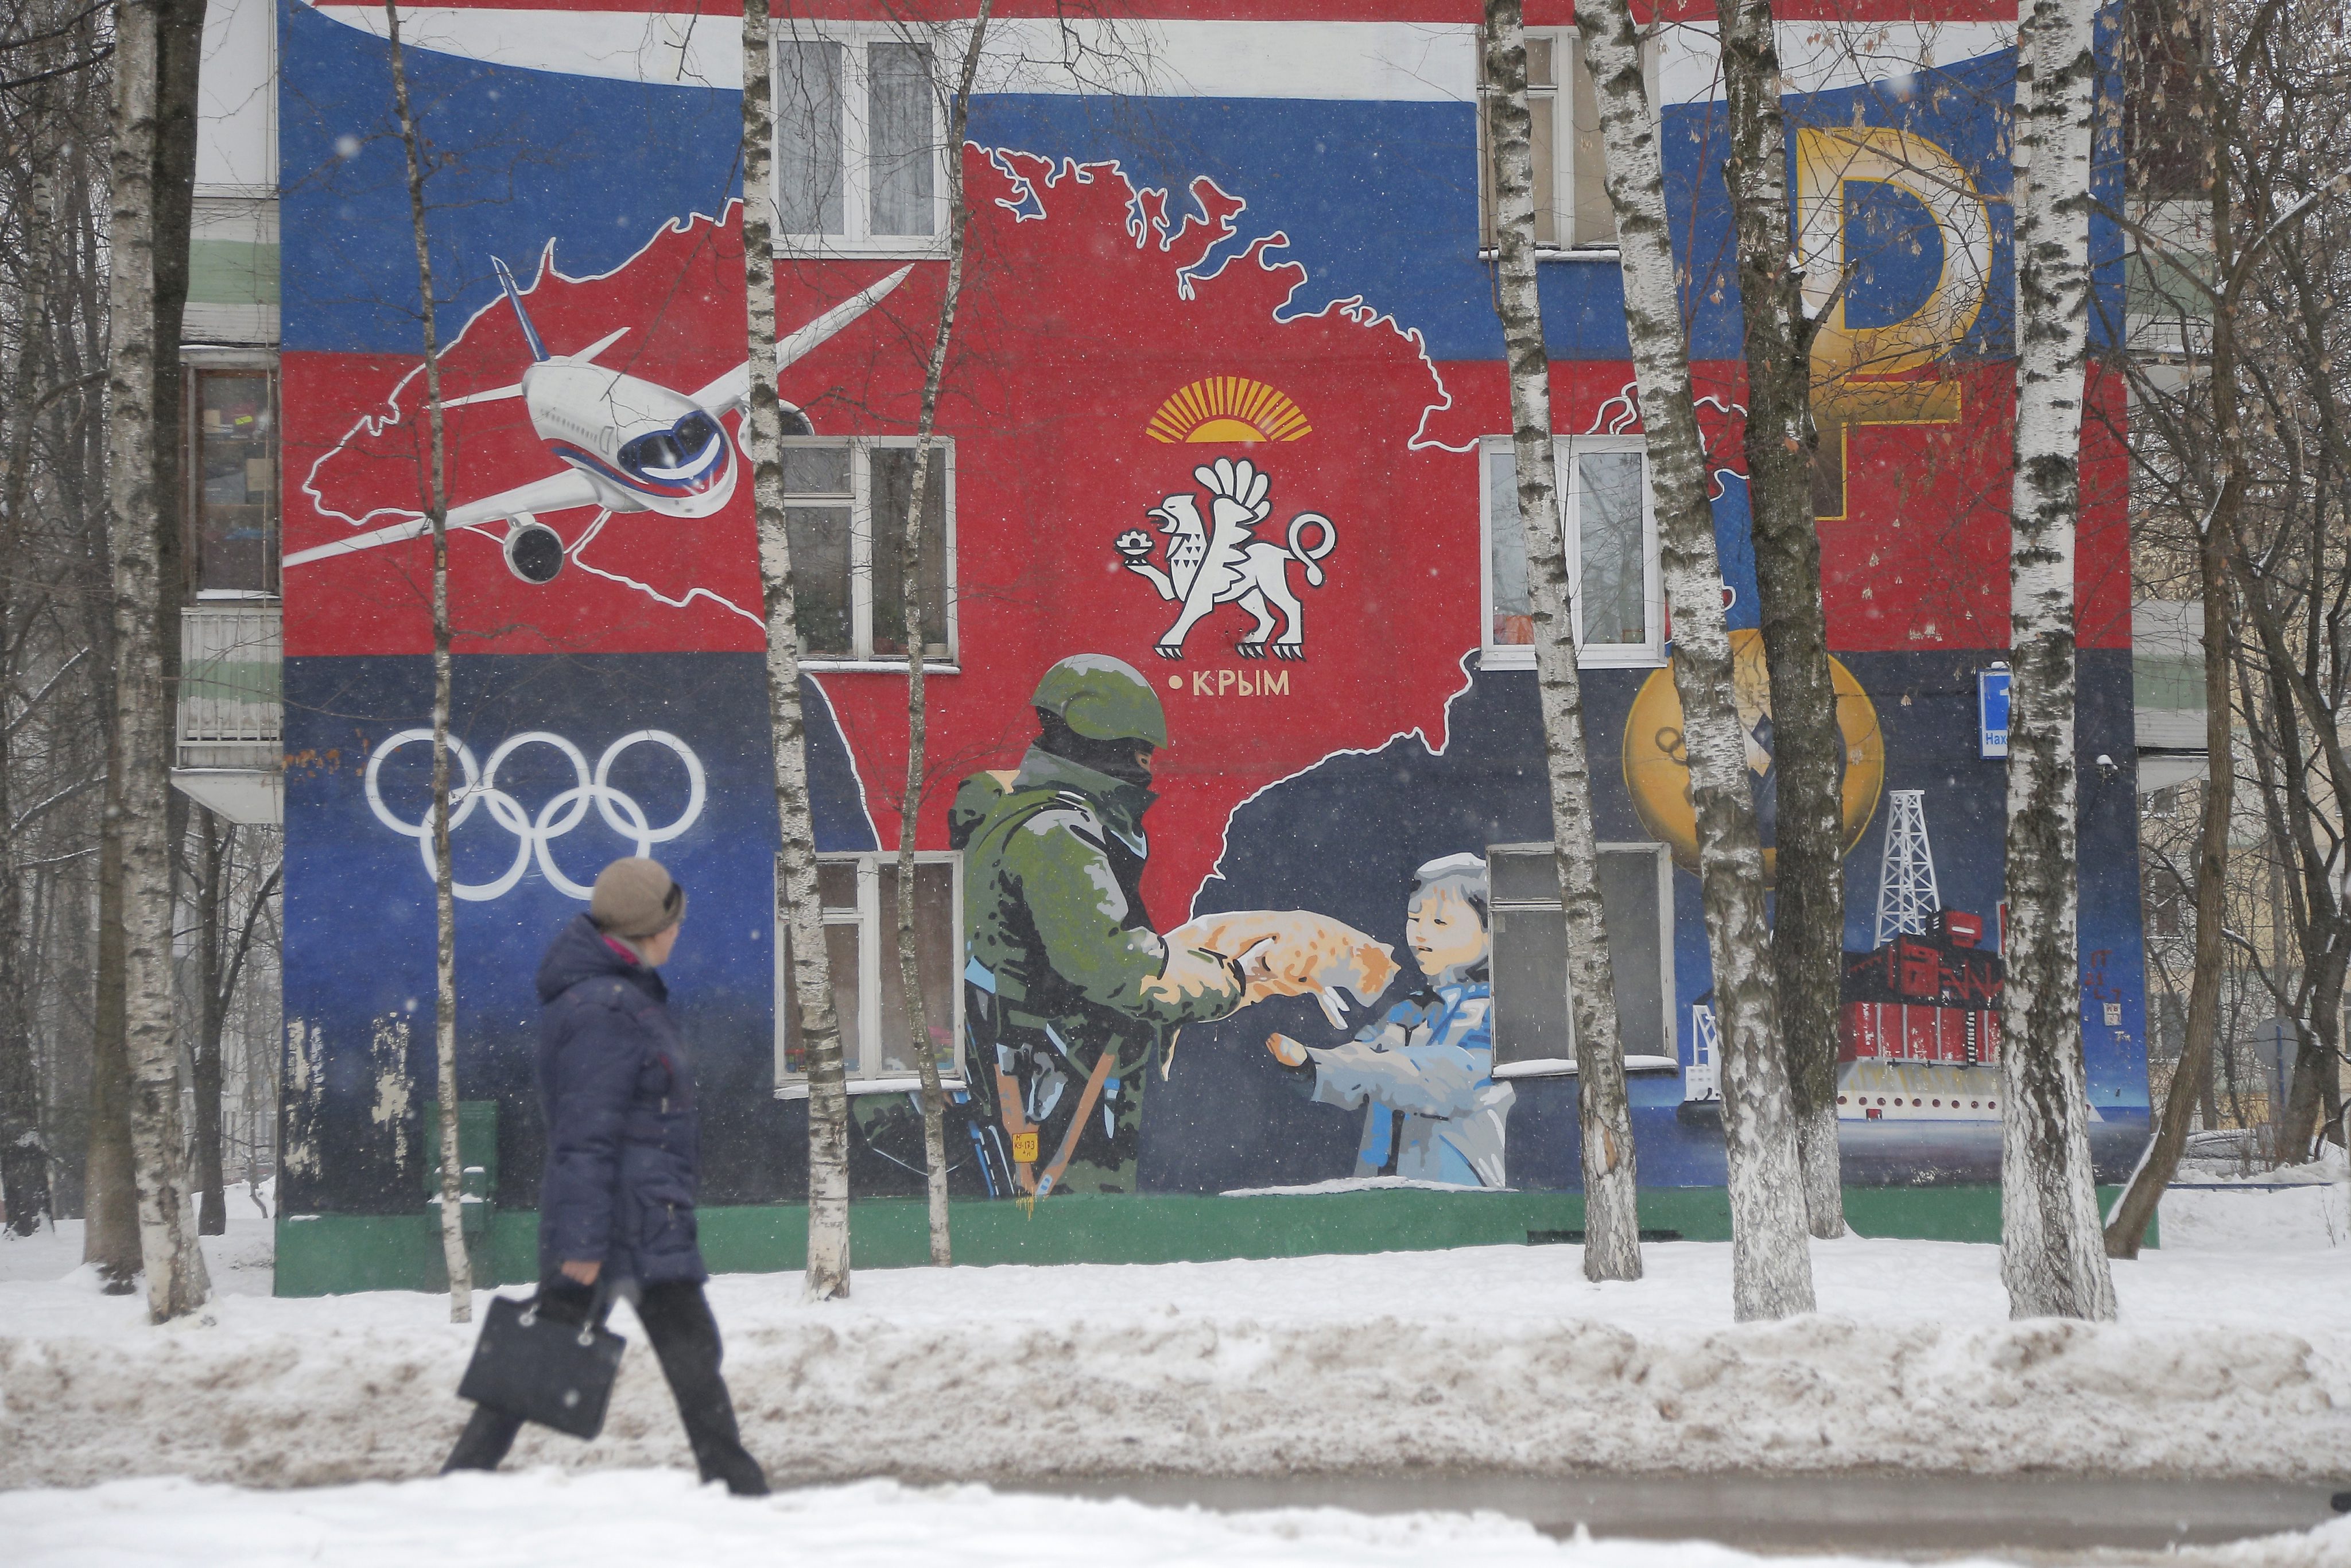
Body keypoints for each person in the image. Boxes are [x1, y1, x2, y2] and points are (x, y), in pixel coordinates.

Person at [443, 856, 767, 1495]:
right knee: (581, 1359)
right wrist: (583, 1247)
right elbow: (584, 1136)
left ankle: (738, 1489)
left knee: (687, 1358)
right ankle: (740, 1492)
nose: (679, 932)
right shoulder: (605, 1009)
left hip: (643, 1216)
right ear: (650, 925)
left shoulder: (622, 997)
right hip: (620, 1224)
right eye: (674, 921)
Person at [946, 654, 1249, 1198]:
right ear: (1103, 739)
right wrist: (1228, 979)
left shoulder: (1017, 810)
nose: (1147, 766)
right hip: (1060, 1086)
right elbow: (1115, 967)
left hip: (1031, 1072)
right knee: (1071, 1225)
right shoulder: (1057, 831)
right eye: (1139, 751)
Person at [1263, 853, 1515, 1187]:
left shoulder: (1495, 1013)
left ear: (1488, 931)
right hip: (1382, 1190)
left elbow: (1448, 1078)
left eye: (1440, 922)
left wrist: (1361, 1068)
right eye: (1414, 918)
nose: (1420, 933)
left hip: (1456, 1193)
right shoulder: (1409, 1010)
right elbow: (1359, 1062)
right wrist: (1311, 1066)